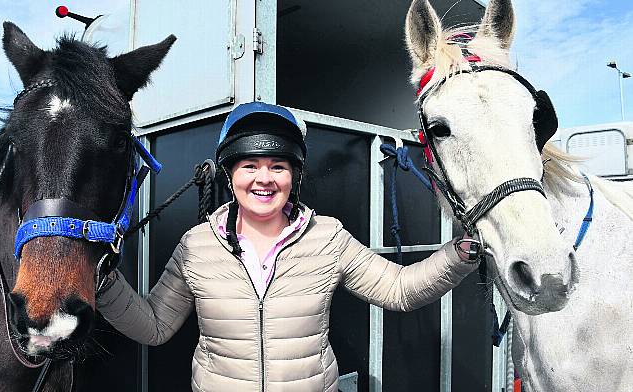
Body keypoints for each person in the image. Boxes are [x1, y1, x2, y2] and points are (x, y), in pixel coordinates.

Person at [96, 102, 479, 392]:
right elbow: (155, 327)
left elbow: (399, 289)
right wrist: (103, 283)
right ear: (230, 175)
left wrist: (459, 255)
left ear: (293, 176)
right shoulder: (197, 245)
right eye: (249, 166)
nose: (264, 179)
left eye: (278, 166)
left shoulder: (327, 237)